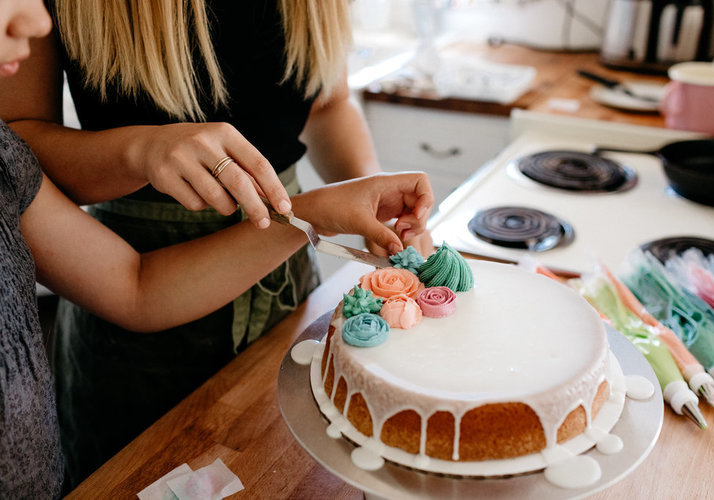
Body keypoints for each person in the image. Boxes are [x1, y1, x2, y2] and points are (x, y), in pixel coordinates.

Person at [0, 0, 435, 496]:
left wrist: (361, 201)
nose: (32, 20)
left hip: (286, 279)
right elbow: (16, 160)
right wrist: (142, 150)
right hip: (131, 305)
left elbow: (328, 103)